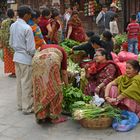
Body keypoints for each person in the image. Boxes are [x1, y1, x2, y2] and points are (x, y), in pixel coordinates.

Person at [32, 44, 68, 124]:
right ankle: (54, 117)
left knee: (40, 87)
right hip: (52, 60)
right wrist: (66, 85)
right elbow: (64, 72)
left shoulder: (43, 46)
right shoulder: (63, 51)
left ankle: (41, 115)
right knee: (56, 89)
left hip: (36, 60)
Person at [9, 5, 36, 114]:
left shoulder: (13, 25)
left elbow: (10, 42)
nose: (30, 16)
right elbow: (31, 48)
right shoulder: (27, 28)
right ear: (26, 15)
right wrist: (34, 54)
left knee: (20, 82)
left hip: (17, 57)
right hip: (25, 58)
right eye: (29, 14)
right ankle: (27, 107)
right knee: (27, 83)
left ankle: (20, 104)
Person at [0, 9, 15, 77]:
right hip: (14, 43)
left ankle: (13, 72)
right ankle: (16, 71)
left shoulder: (4, 22)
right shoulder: (15, 22)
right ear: (13, 14)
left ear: (7, 14)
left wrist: (2, 42)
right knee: (14, 57)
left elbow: (2, 33)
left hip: (6, 43)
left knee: (9, 59)